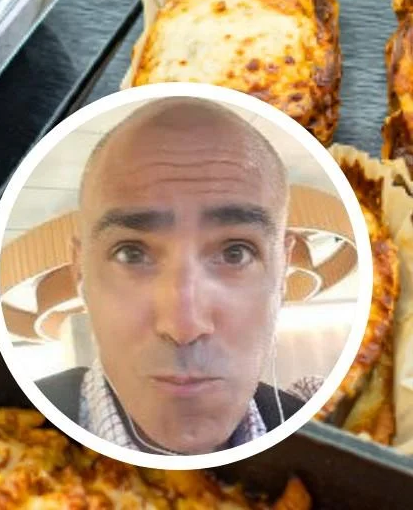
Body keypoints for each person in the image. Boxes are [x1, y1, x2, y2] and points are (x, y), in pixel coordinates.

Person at [36, 97, 306, 454]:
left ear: (282, 270)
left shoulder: (335, 430)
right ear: (81, 272)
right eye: (131, 253)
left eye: (235, 253)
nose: (184, 327)